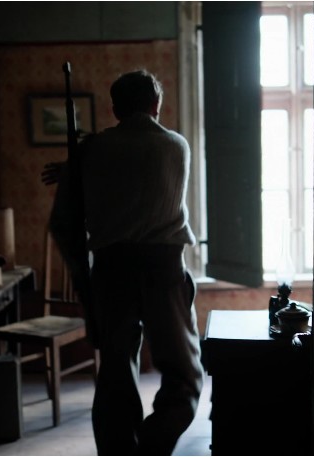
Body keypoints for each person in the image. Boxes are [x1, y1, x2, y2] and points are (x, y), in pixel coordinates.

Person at [45, 69, 203, 455]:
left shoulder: (92, 151)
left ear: (114, 109)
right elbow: (136, 169)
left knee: (115, 374)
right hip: (163, 269)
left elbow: (67, 220)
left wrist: (73, 170)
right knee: (184, 376)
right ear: (156, 105)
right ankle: (150, 446)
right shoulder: (176, 145)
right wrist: (77, 166)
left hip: (111, 270)